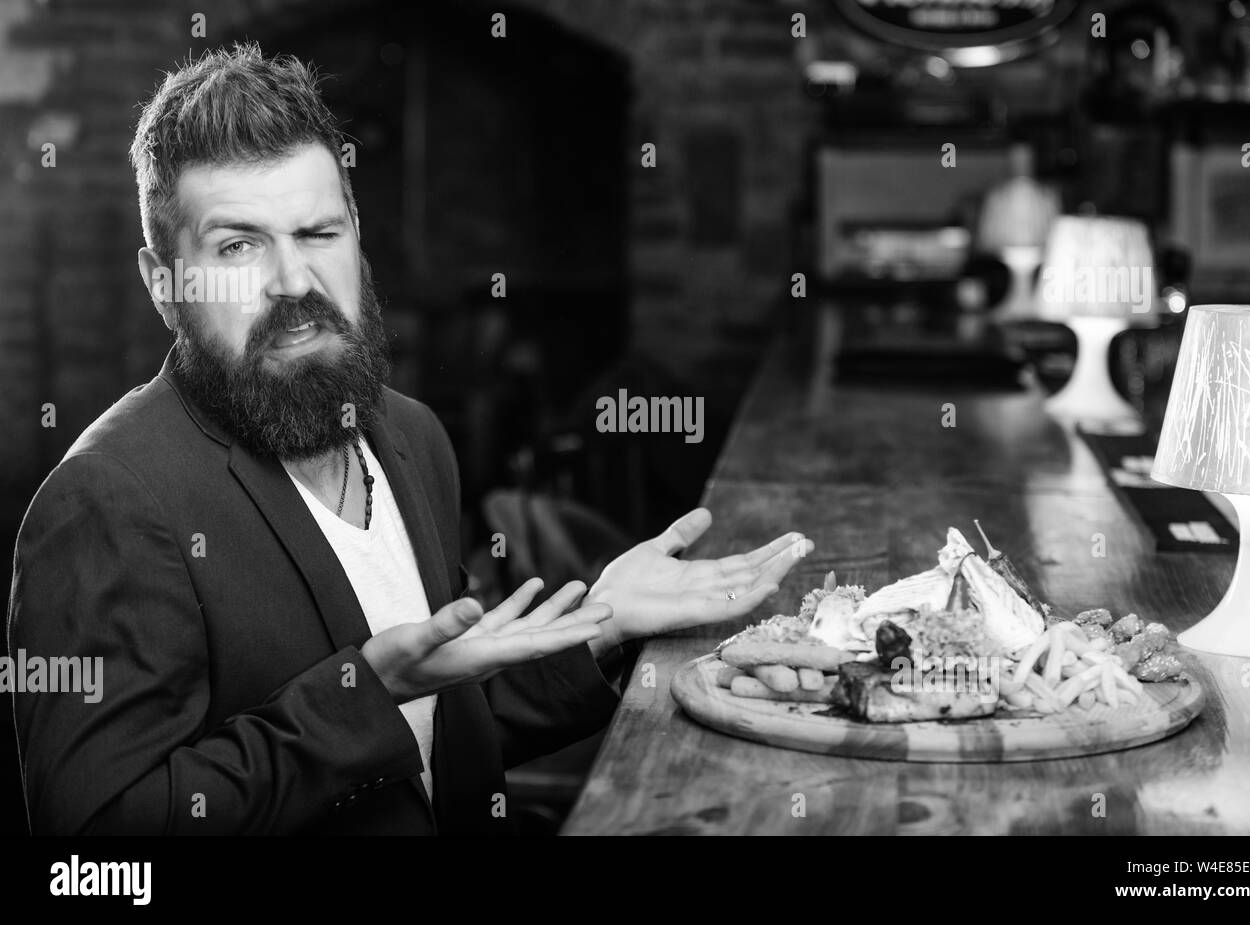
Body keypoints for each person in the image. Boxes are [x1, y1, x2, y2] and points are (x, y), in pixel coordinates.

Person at [6, 44, 811, 835]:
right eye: (238, 246)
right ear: (163, 283)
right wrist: (368, 686)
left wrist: (600, 621)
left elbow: (443, 725)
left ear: (356, 232)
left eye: (318, 233)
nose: (293, 280)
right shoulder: (107, 499)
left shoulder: (410, 436)